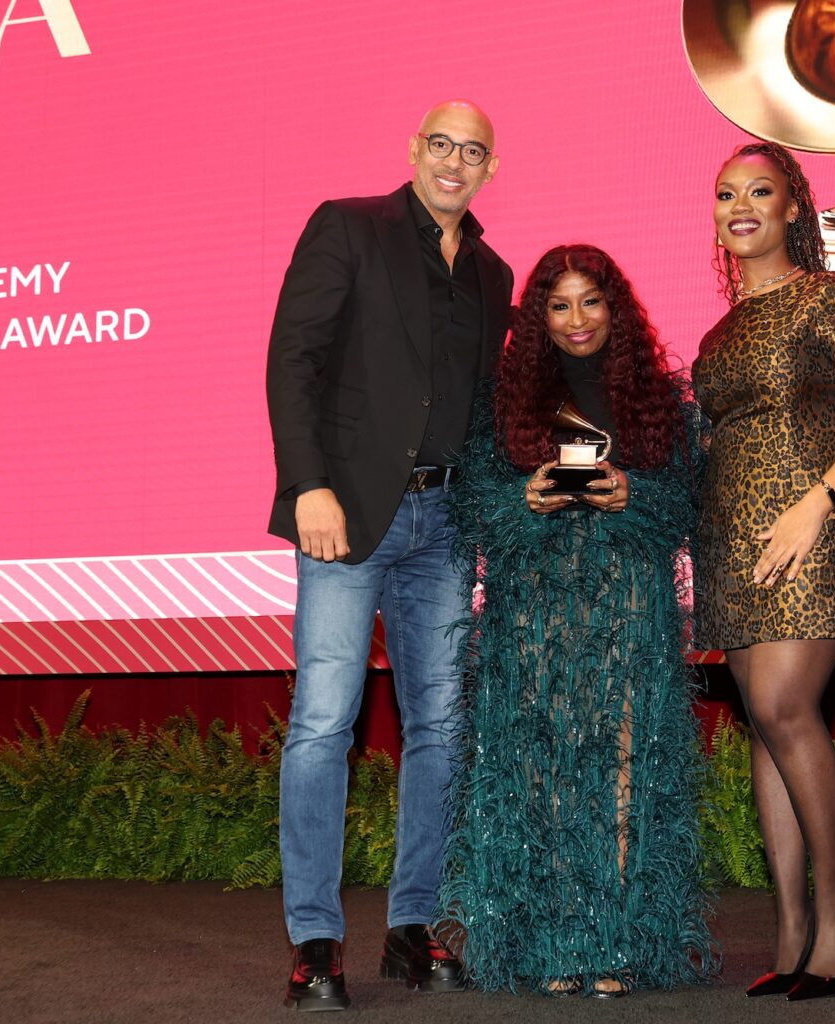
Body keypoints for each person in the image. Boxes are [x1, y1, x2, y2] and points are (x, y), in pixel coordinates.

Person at [264, 99, 514, 1011]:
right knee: (322, 723)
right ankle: (314, 941)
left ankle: (413, 927)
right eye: (441, 143)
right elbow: (293, 360)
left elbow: (484, 406)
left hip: (445, 526)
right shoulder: (349, 227)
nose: (455, 161)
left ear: (490, 168)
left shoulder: (492, 272)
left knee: (440, 728)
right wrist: (308, 485)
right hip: (347, 515)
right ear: (415, 149)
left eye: (473, 151)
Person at [437, 245, 718, 998]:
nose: (577, 319)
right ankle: (560, 943)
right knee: (544, 771)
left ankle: (615, 942)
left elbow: (684, 506)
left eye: (590, 301)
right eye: (559, 306)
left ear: (614, 307)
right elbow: (474, 504)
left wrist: (633, 496)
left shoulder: (657, 398)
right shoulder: (503, 400)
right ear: (539, 318)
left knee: (624, 766)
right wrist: (522, 499)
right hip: (534, 605)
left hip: (629, 602)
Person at [692, 141, 835, 1001]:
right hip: (732, 543)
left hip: (812, 531)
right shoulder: (718, 333)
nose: (740, 206)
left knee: (784, 707)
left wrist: (816, 504)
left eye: (760, 191)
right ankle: (789, 929)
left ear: (792, 207)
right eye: (726, 194)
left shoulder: (832, 295)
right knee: (763, 723)